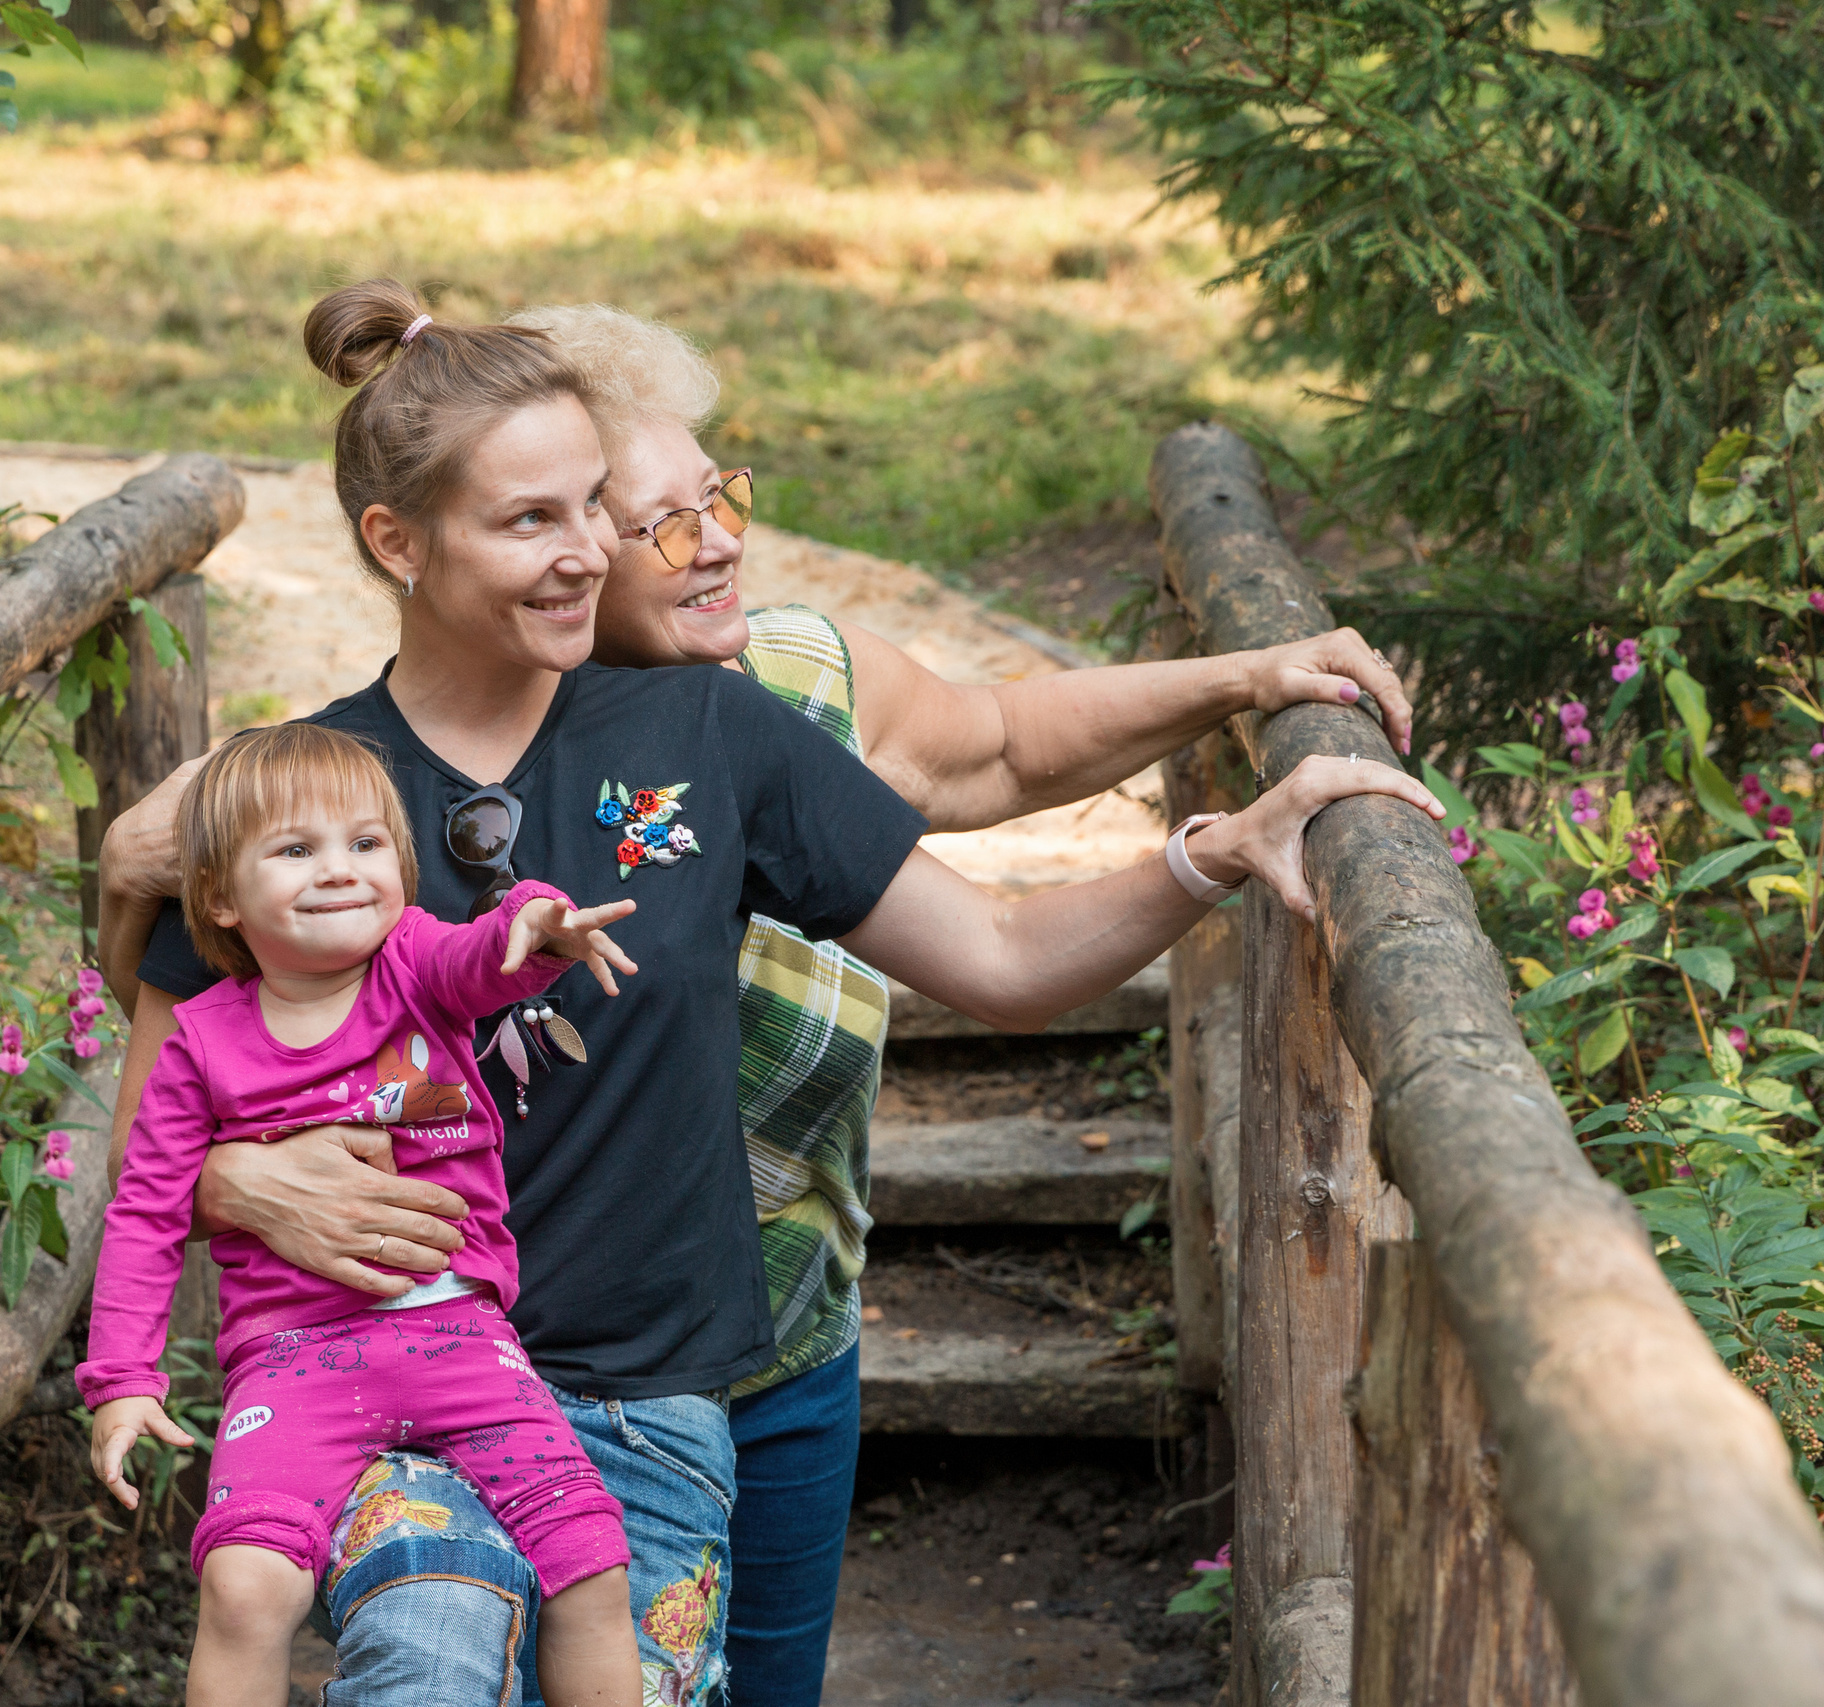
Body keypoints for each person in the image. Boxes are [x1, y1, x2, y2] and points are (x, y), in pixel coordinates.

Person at [91, 279, 1437, 1706]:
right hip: (385, 1400)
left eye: (592, 508)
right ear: (396, 542)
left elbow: (1002, 959)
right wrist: (238, 1176)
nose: (582, 552)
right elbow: (155, 1126)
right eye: (527, 520)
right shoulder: (301, 793)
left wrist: (1212, 849)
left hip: (648, 1403)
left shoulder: (710, 729)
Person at [77, 723, 642, 1707]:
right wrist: (123, 1379)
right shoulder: (201, 1044)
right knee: (243, 1586)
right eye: (295, 850)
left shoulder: (415, 968)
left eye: (365, 844)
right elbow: (145, 1214)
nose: (338, 871)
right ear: (219, 894)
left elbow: (487, 957)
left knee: (589, 1561)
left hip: (460, 1341)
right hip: (293, 1362)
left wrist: (535, 921)